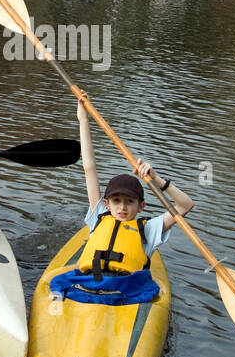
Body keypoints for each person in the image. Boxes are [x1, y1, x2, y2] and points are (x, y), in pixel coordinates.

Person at [48, 101, 194, 304]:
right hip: (90, 282)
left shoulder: (149, 229)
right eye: (116, 201)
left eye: (129, 202)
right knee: (58, 281)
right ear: (107, 204)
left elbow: (185, 206)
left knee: (60, 281)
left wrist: (157, 180)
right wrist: (83, 120)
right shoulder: (98, 215)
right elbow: (89, 167)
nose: (122, 207)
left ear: (141, 206)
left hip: (124, 289)